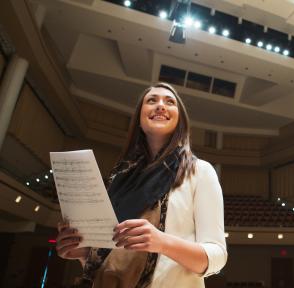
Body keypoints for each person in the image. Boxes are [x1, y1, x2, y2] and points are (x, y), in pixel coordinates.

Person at [55, 82, 227, 287]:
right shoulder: (118, 178)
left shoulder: (200, 171)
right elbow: (112, 262)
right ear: (139, 117)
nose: (160, 105)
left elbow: (217, 257)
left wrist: (162, 243)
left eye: (169, 102)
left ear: (180, 120)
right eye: (151, 101)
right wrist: (84, 254)